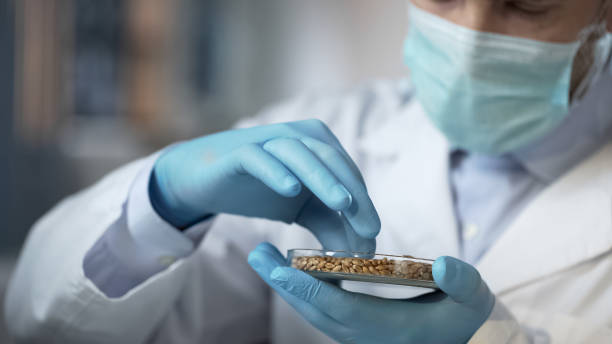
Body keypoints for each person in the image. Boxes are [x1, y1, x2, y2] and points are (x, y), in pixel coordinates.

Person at [5, 0, 612, 343]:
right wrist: (159, 204)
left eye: (529, 3)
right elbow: (44, 330)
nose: (470, 36)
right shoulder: (324, 127)